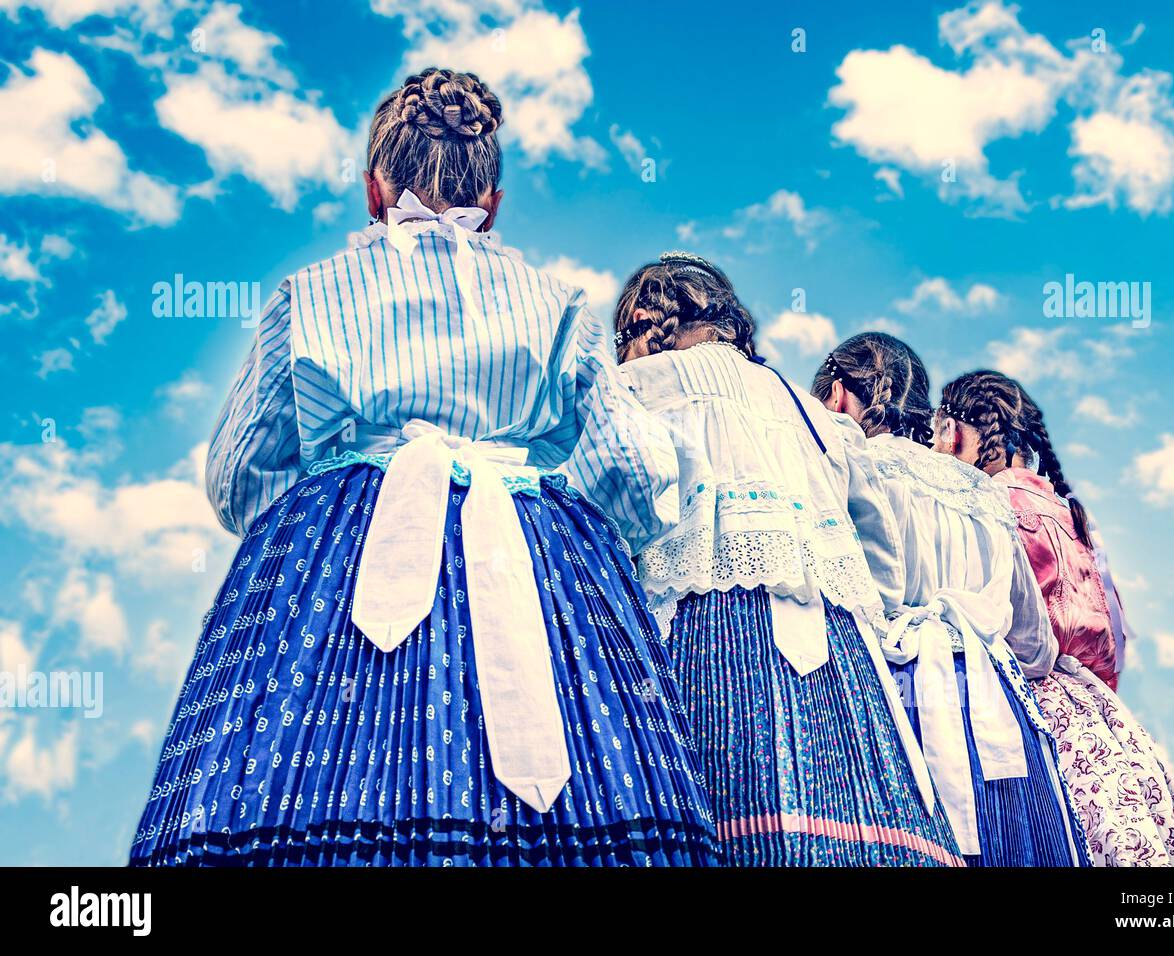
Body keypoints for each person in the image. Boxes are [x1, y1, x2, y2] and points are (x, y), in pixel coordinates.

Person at [129, 68, 718, 866]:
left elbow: (238, 476)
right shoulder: (559, 305)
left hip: (341, 558)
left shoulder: (311, 293)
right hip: (531, 558)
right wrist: (547, 496)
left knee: (313, 801)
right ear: (496, 203)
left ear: (374, 190)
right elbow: (632, 475)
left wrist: (331, 496)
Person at [564, 254, 964, 866]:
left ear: (644, 323)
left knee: (705, 824)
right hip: (834, 647)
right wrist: (874, 618)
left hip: (692, 632)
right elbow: (878, 531)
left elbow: (600, 501)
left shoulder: (634, 389)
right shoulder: (800, 404)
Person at [813, 333, 1087, 866]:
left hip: (899, 697)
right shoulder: (984, 491)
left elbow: (858, 598)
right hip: (998, 704)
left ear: (842, 395)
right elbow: (1034, 646)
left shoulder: (857, 466)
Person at [935, 370, 1174, 866]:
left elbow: (988, 614)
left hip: (1026, 696)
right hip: (1098, 710)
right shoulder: (1071, 512)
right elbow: (1116, 637)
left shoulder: (984, 504)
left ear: (955, 431)